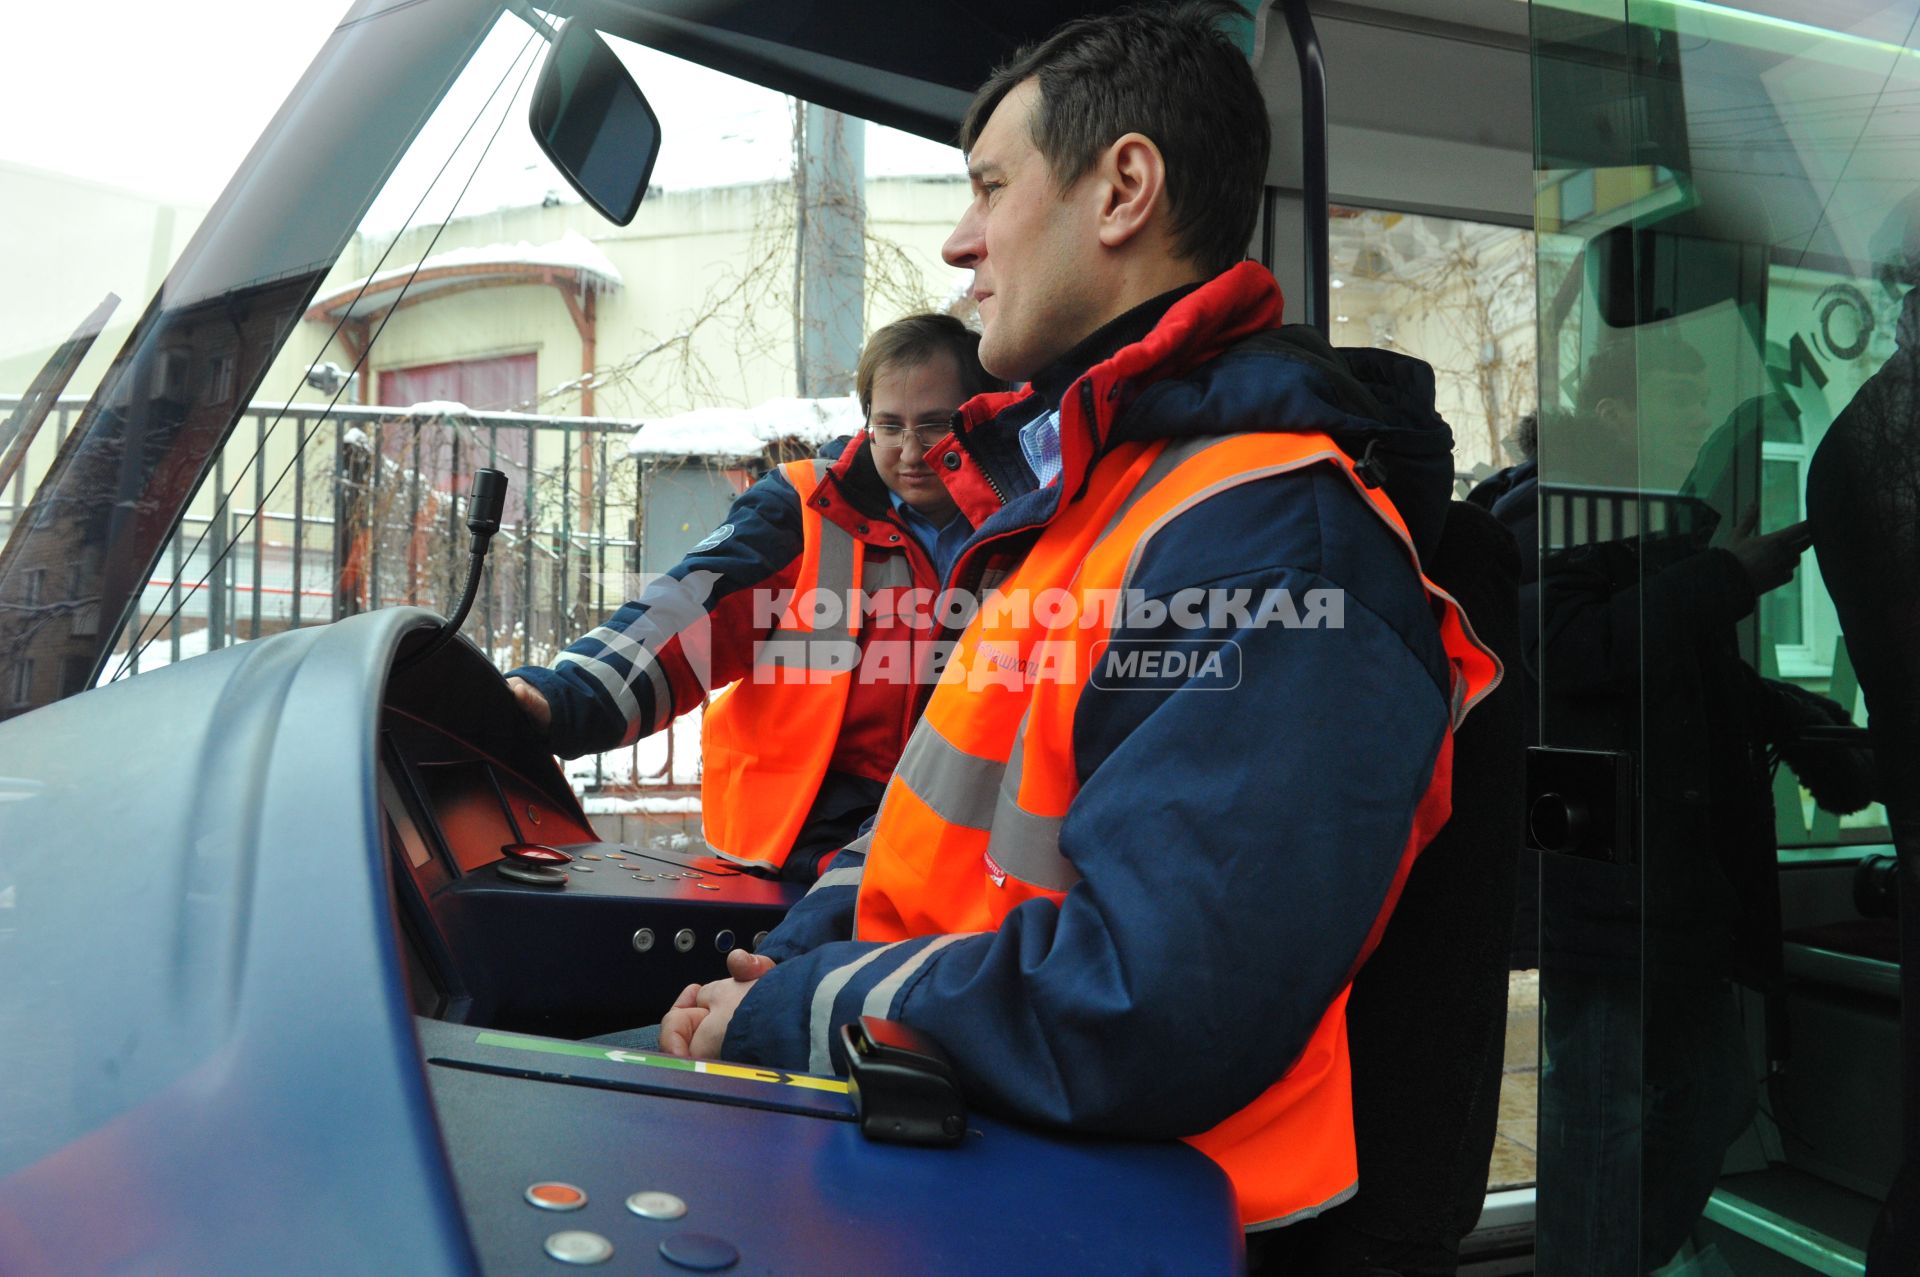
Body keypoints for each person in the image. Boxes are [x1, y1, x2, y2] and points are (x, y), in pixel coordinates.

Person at [632, 1, 1501, 1240]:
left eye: (990, 186)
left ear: (1123, 190)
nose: (959, 242)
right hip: (961, 1137)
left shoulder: (1268, 540)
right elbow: (929, 827)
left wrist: (802, 1009)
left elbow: (1156, 995)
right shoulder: (1090, 507)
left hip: (1133, 1215)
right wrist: (785, 964)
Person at [505, 314, 1000, 881]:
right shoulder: (804, 507)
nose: (910, 451)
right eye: (889, 426)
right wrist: (565, 697)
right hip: (801, 843)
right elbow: (684, 613)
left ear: (980, 416)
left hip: (960, 848)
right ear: (866, 421)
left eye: (935, 426)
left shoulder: (1030, 523)